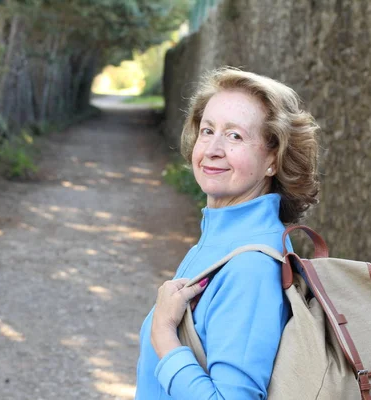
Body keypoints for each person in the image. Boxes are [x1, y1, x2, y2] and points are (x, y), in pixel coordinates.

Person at [135, 67, 320, 399]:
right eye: (207, 131)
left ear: (272, 160)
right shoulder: (221, 243)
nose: (212, 148)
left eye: (235, 136)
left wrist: (164, 335)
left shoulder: (250, 267)